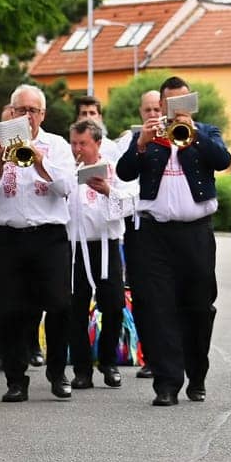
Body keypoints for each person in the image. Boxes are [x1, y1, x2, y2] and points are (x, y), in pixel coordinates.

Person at [115, 75, 230, 406]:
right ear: (162, 104)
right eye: (171, 103)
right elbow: (124, 173)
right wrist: (140, 144)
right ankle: (167, 382)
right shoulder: (145, 135)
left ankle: (197, 373)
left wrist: (190, 133)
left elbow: (221, 160)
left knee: (198, 307)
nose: (177, 109)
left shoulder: (206, 132)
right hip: (154, 234)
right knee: (157, 307)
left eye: (184, 102)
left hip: (195, 232)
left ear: (191, 104)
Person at [0, 85, 75, 401]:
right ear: (11, 112)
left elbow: (67, 186)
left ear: (42, 115)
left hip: (49, 236)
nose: (26, 116)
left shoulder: (56, 144)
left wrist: (41, 161)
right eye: (20, 110)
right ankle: (16, 380)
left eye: (33, 111)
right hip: (10, 237)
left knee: (59, 305)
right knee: (9, 310)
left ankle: (58, 373)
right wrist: (0, 165)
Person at [48, 118, 134, 390]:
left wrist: (108, 190)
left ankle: (108, 362)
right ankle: (82, 369)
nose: (77, 149)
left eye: (82, 143)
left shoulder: (114, 170)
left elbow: (131, 203)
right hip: (73, 247)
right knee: (75, 308)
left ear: (97, 143)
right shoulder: (65, 170)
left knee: (113, 305)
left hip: (105, 244)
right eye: (73, 143)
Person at [123, 89, 164, 380]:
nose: (153, 115)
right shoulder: (131, 141)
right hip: (138, 227)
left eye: (156, 109)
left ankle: (172, 353)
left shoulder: (175, 137)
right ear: (141, 113)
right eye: (147, 110)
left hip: (166, 225)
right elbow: (121, 178)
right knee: (144, 295)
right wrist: (140, 143)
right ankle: (149, 355)